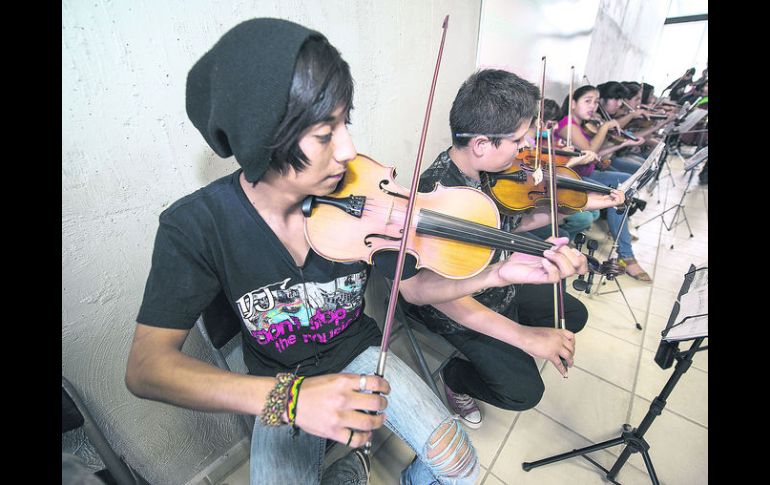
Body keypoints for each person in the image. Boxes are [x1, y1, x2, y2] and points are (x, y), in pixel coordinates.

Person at [125, 19, 587, 485]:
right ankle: (349, 468)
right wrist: (290, 399)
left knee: (460, 469)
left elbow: (419, 290)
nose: (348, 150)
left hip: (358, 351)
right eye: (325, 134)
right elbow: (147, 368)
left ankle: (354, 466)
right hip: (280, 379)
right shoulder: (195, 224)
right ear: (262, 137)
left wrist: (497, 274)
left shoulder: (365, 192)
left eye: (345, 123)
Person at [406, 70, 621, 428]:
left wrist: (579, 205)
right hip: (461, 302)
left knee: (575, 317)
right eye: (519, 140)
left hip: (501, 279)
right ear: (480, 144)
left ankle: (514, 336)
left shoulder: (495, 170)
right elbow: (437, 295)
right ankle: (456, 378)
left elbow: (513, 226)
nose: (527, 148)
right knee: (523, 393)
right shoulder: (438, 198)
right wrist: (523, 336)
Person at [556, 84, 652, 281]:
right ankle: (626, 254)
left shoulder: (582, 124)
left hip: (587, 174)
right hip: (573, 179)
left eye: (595, 102)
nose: (593, 106)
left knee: (625, 184)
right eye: (587, 101)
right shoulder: (567, 125)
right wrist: (606, 127)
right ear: (572, 103)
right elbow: (589, 149)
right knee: (620, 187)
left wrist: (623, 143)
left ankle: (621, 237)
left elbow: (595, 154)